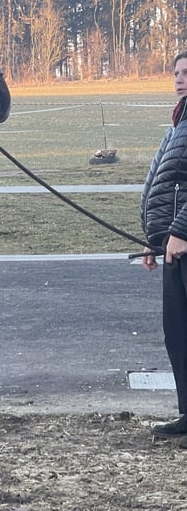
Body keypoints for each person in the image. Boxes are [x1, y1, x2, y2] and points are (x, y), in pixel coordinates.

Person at [141, 50, 187, 446]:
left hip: (185, 243)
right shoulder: (177, 125)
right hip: (175, 247)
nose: (180, 78)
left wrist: (183, 230)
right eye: (176, 72)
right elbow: (161, 186)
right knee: (178, 336)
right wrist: (153, 240)